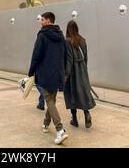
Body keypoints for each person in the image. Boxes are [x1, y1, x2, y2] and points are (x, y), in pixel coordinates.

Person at [28, 12, 68, 146]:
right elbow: (65, 55)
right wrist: (64, 72)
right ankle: (46, 124)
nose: (41, 21)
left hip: (45, 72)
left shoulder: (43, 35)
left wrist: (31, 71)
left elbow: (36, 54)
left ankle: (60, 130)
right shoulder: (61, 35)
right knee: (52, 99)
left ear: (48, 21)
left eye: (43, 20)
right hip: (58, 73)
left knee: (49, 100)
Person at [64, 21, 96, 129]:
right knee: (83, 92)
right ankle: (86, 113)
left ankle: (75, 119)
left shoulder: (67, 41)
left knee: (71, 94)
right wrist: (83, 68)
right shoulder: (82, 40)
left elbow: (69, 59)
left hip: (72, 70)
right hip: (82, 68)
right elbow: (86, 57)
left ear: (68, 29)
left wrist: (66, 74)